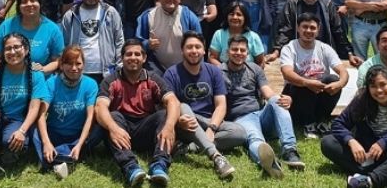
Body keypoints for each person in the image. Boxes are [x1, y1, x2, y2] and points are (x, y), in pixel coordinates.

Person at [321, 66, 387, 188]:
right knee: (328, 142)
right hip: (365, 152)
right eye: (373, 86)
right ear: (368, 88)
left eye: (383, 84)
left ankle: (369, 180)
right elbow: (338, 124)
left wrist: (385, 141)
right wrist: (351, 141)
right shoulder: (362, 100)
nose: (379, 90)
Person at [95, 39, 180, 187]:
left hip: (144, 129)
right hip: (120, 131)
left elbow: (173, 101)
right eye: (128, 54)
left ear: (144, 58)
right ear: (122, 58)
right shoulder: (111, 80)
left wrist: (169, 126)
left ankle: (159, 165)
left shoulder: (153, 78)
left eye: (137, 54)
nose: (133, 57)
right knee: (113, 116)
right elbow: (100, 107)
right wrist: (113, 129)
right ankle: (131, 168)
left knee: (164, 115)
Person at [222, 35, 304, 179]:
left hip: (261, 113)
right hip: (242, 118)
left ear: (247, 53)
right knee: (255, 139)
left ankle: (289, 150)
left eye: (242, 50)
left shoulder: (254, 68)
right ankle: (269, 162)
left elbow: (267, 92)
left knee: (276, 100)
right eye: (234, 49)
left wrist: (283, 100)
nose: (238, 53)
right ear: (227, 52)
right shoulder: (219, 72)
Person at [163, 32, 240, 180]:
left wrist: (212, 128)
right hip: (185, 123)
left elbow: (221, 104)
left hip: (208, 121)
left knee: (239, 133)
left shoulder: (213, 71)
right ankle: (216, 157)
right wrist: (179, 121)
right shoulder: (172, 73)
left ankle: (189, 147)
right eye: (189, 47)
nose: (194, 51)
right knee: (183, 106)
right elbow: (168, 105)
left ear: (204, 50)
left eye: (198, 47)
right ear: (182, 50)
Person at [0, 33, 48, 182]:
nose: (12, 52)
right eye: (8, 49)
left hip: (18, 120)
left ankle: (4, 148)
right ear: (3, 52)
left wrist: (22, 131)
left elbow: (35, 108)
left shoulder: (36, 75)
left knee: (13, 142)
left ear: (26, 49)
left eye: (17, 47)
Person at [280, 12, 349, 138]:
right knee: (300, 82)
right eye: (305, 27)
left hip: (318, 94)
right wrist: (307, 82)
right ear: (298, 28)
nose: (308, 30)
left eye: (312, 28)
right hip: (297, 98)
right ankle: (308, 123)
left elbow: (343, 71)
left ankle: (323, 120)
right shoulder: (289, 48)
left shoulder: (324, 48)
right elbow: (287, 73)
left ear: (318, 30)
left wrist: (340, 84)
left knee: (332, 79)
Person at [38, 46, 100, 180]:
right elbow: (41, 114)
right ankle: (62, 155)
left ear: (84, 64)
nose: (74, 68)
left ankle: (57, 157)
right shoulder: (51, 83)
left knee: (99, 129)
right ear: (61, 64)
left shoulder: (90, 84)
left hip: (78, 135)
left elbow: (90, 117)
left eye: (78, 63)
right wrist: (47, 142)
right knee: (34, 131)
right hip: (54, 133)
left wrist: (79, 144)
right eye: (69, 63)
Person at [271, 0, 362, 67]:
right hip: (298, 52)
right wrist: (276, 51)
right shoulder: (292, 4)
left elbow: (338, 31)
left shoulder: (327, 4)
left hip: (323, 52)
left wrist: (349, 53)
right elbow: (285, 30)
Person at [0, 0, 64, 77]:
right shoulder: (6, 26)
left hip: (40, 81)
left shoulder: (52, 29)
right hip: (9, 79)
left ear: (40, 3)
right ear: (19, 6)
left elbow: (57, 60)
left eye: (33, 0)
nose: (29, 4)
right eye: (24, 2)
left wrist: (42, 70)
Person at [61, 0, 125, 83]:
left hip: (105, 72)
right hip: (77, 71)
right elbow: (64, 43)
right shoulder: (70, 15)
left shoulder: (110, 13)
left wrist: (120, 65)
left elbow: (119, 41)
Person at [135, 0, 202, 74]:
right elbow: (137, 44)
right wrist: (147, 44)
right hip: (155, 68)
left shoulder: (189, 16)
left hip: (185, 67)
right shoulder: (148, 16)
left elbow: (200, 44)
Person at [208, 1, 266, 67]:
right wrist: (224, 72)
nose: (235, 17)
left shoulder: (253, 37)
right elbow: (212, 58)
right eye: (232, 14)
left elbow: (261, 62)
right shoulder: (219, 35)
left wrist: (252, 75)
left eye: (239, 14)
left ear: (245, 18)